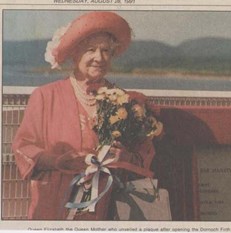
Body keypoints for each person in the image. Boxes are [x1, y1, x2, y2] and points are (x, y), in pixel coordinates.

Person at [12, 11, 157, 220]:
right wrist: (61, 161)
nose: (99, 58)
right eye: (91, 50)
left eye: (106, 50)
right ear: (74, 53)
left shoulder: (126, 102)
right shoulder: (45, 96)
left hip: (108, 207)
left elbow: (145, 155)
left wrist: (123, 157)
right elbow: (23, 148)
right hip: (55, 205)